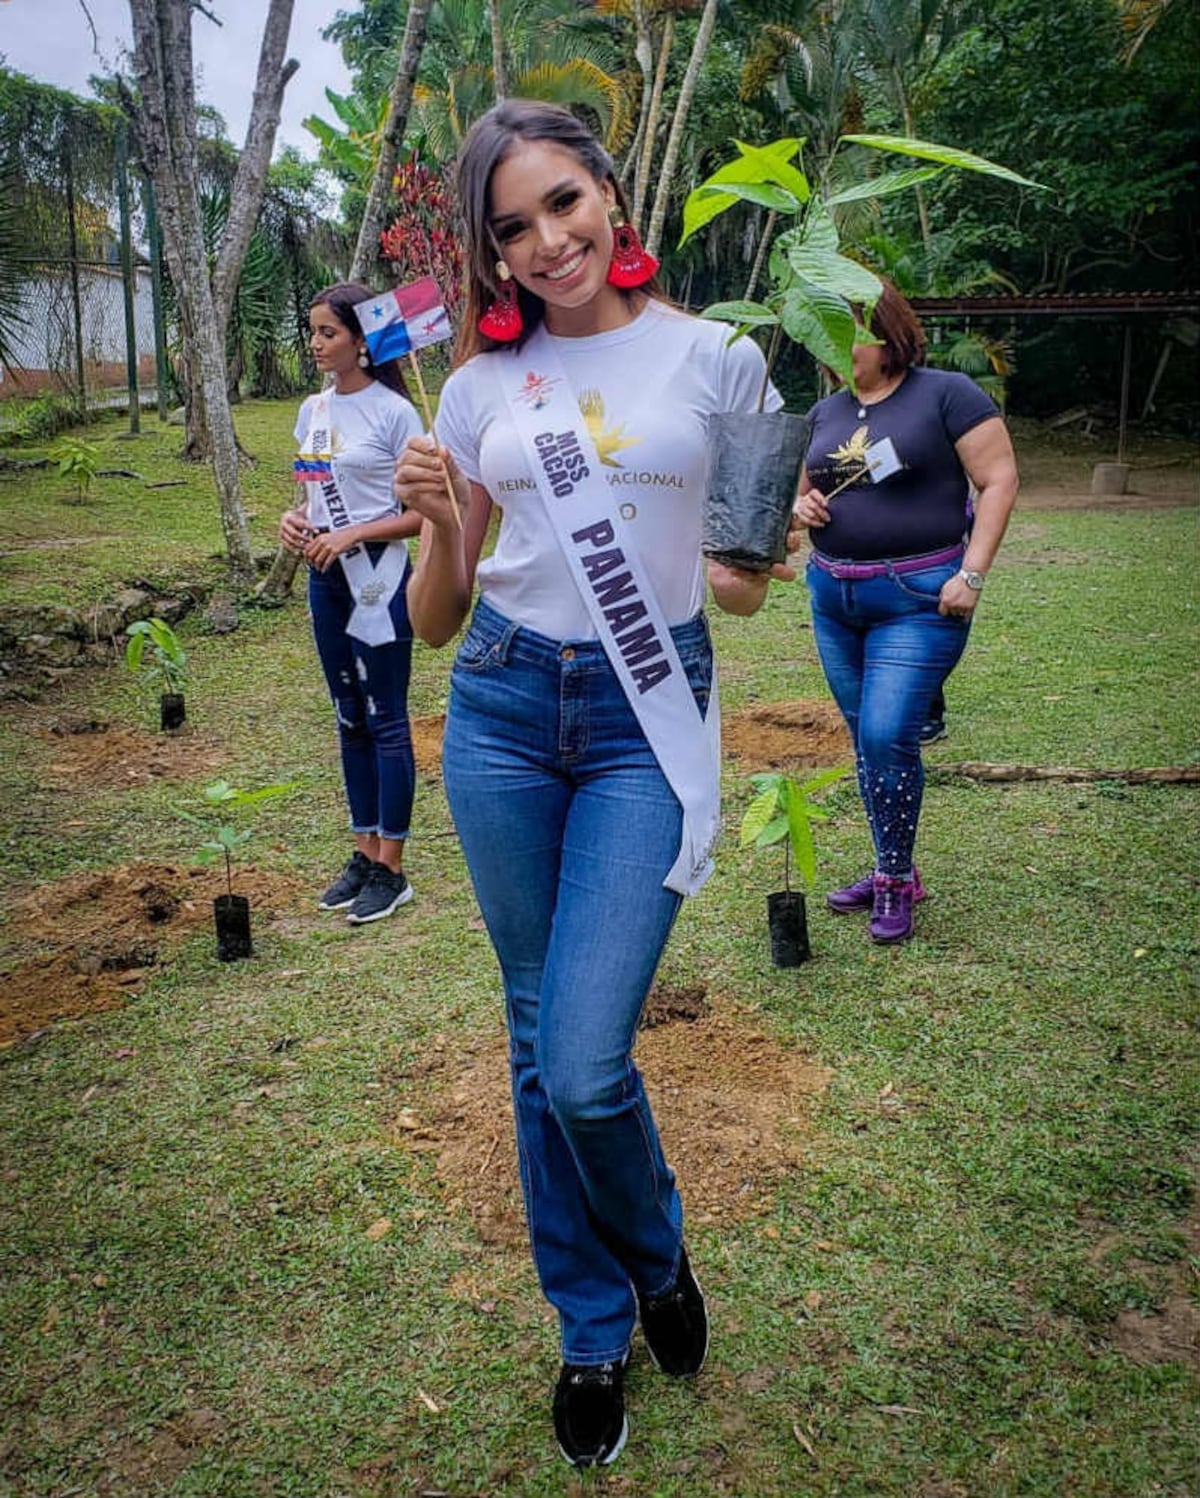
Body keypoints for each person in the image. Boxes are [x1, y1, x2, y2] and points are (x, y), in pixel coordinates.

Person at [392, 100, 799, 1469]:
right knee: (529, 1034)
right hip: (504, 705)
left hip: (644, 713)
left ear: (612, 196)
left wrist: (767, 543)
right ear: (492, 253)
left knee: (581, 1059)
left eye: (563, 203)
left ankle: (658, 1252)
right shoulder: (474, 390)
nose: (546, 240)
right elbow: (443, 619)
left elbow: (736, 595)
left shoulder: (723, 359)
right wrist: (445, 522)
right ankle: (589, 1324)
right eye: (512, 227)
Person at [795, 278, 1018, 942]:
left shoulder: (946, 394)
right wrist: (801, 508)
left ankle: (894, 878)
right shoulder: (825, 411)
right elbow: (799, 497)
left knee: (887, 732)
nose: (831, 345)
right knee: (868, 737)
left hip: (919, 598)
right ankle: (893, 864)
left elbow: (999, 478)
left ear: (883, 331)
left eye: (844, 328)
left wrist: (972, 574)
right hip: (834, 597)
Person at [278, 283, 425, 924]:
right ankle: (363, 850)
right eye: (311, 332)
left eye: (327, 333)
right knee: (348, 716)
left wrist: (354, 532)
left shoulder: (396, 414)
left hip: (380, 578)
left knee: (386, 717)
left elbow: (421, 515)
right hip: (325, 576)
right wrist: (295, 522)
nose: (315, 344)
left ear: (362, 342)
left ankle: (392, 867)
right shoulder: (313, 411)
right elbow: (308, 490)